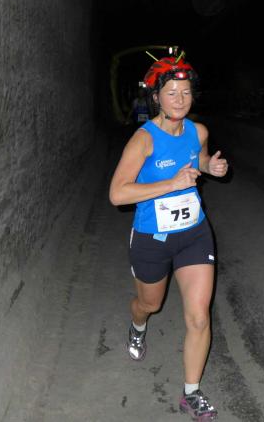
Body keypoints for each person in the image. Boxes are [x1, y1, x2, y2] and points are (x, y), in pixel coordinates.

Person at [109, 53, 228, 419]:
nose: (180, 99)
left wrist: (210, 166)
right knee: (150, 304)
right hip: (152, 237)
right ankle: (137, 325)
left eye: (186, 92)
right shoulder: (143, 140)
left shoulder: (198, 131)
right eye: (172, 92)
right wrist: (170, 184)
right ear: (156, 97)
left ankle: (191, 393)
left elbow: (198, 159)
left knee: (199, 317)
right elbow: (118, 194)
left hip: (194, 233)